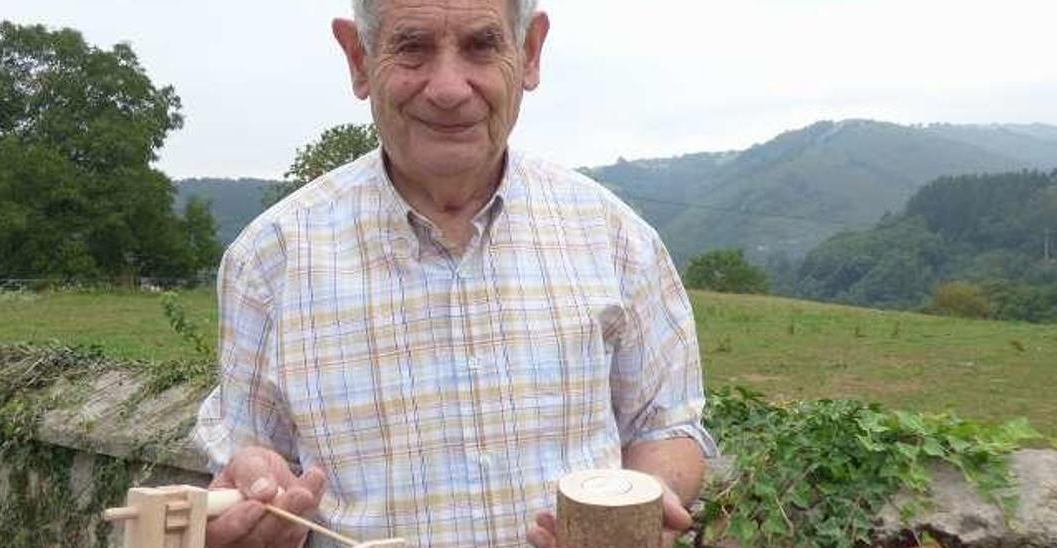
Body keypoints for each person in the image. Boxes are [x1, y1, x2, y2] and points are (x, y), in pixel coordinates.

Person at [193, 1, 718, 546]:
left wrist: (643, 498)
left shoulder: (616, 240)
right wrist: (255, 497)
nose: (448, 88)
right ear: (358, 60)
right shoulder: (269, 259)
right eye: (413, 47)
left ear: (530, 52)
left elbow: (666, 425)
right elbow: (251, 456)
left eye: (482, 45)